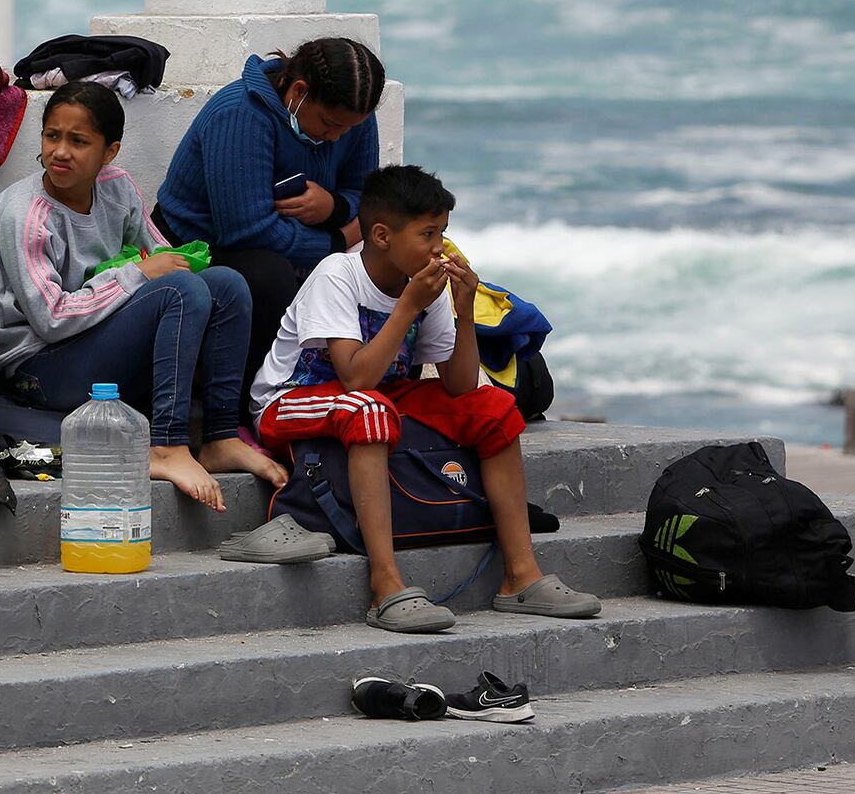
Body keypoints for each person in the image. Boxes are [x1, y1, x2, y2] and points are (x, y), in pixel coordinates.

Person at [249, 164, 602, 632]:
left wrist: (462, 312)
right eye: (428, 233)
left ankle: (520, 575)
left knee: (493, 406)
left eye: (443, 233)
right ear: (381, 235)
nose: (439, 247)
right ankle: (385, 583)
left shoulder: (423, 282)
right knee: (369, 408)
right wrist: (409, 306)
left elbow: (458, 385)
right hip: (294, 398)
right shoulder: (338, 275)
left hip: (381, 394)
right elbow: (356, 379)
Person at [0, 82, 288, 509]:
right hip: (38, 368)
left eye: (78, 141)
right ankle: (166, 445)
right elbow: (50, 319)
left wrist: (166, 265)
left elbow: (160, 253)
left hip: (94, 343)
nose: (61, 151)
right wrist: (136, 273)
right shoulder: (25, 215)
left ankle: (220, 436)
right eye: (52, 136)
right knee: (180, 291)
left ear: (109, 152)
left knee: (226, 284)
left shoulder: (117, 187)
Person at [152, 36, 387, 392]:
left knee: (390, 261)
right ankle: (259, 400)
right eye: (328, 124)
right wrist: (337, 240)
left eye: (349, 128)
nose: (337, 137)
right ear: (298, 91)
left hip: (301, 233)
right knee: (269, 276)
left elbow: (365, 194)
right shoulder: (240, 114)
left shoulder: (351, 117)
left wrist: (334, 206)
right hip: (200, 242)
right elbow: (247, 231)